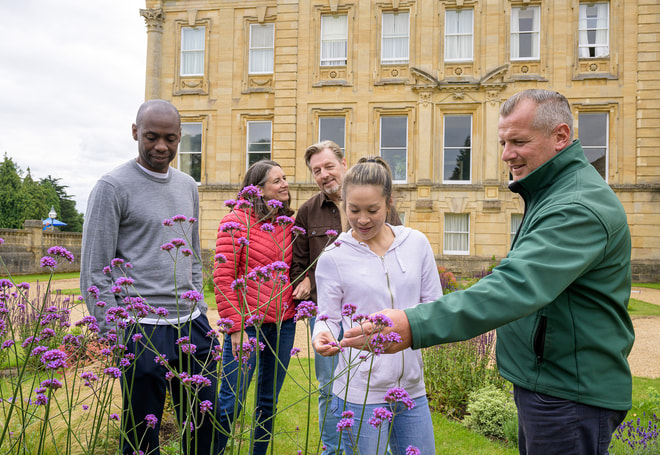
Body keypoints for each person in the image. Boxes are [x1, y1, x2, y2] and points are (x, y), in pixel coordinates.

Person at [341, 90, 635, 455]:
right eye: (503, 142)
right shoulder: (553, 192)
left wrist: (412, 324)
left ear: (561, 136)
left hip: (569, 393)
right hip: (554, 384)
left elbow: (514, 287)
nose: (506, 154)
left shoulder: (575, 205)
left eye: (519, 141)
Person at [80, 99, 220, 454]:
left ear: (179, 138)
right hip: (140, 327)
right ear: (135, 133)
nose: (161, 146)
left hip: (191, 324)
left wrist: (200, 308)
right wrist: (116, 334)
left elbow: (191, 251)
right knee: (142, 435)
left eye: (170, 138)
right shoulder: (112, 186)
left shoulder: (188, 185)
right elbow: (94, 269)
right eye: (152, 136)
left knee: (207, 425)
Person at [312, 156, 442, 455]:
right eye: (353, 210)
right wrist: (322, 333)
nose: (362, 219)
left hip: (411, 389)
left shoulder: (416, 243)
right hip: (358, 392)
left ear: (389, 203)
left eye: (373, 210)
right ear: (343, 203)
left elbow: (434, 306)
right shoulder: (334, 256)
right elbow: (328, 318)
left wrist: (404, 324)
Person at [291, 141, 401, 455]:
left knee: (377, 383)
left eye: (328, 166)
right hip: (329, 314)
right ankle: (334, 448)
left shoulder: (379, 203)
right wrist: (304, 281)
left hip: (371, 313)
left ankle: (378, 446)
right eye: (316, 171)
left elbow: (395, 251)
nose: (324, 175)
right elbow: (298, 262)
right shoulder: (308, 211)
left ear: (343, 163)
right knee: (329, 387)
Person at [213, 160, 297, 455]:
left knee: (267, 402)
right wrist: (235, 328)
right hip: (247, 325)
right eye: (278, 180)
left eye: (285, 178)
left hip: (284, 324)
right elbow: (222, 279)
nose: (285, 184)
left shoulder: (287, 224)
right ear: (258, 189)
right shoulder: (234, 221)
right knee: (230, 402)